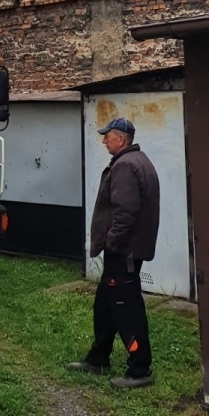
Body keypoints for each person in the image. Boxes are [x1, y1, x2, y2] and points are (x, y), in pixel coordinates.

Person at [67, 117, 160, 389]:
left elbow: (126, 211)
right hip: (125, 251)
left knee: (125, 307)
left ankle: (140, 369)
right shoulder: (137, 161)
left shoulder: (126, 166)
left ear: (120, 138)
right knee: (105, 304)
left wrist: (112, 242)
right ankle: (98, 359)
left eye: (107, 135)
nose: (104, 140)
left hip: (123, 253)